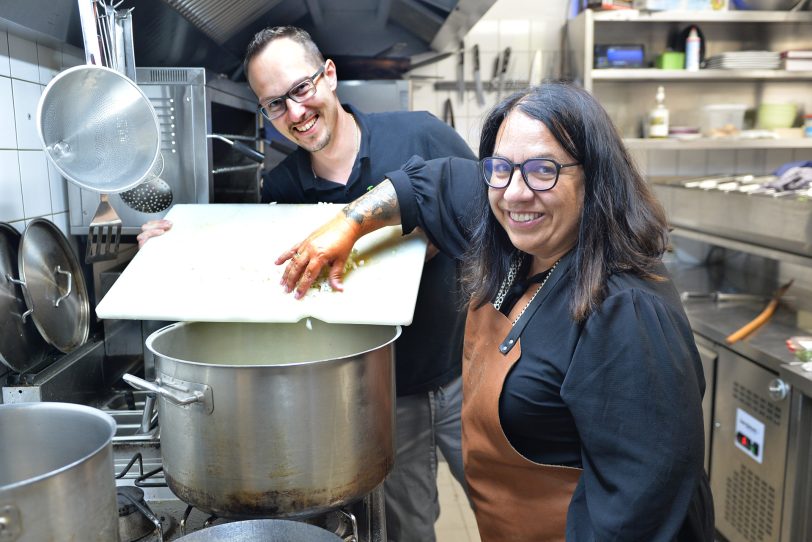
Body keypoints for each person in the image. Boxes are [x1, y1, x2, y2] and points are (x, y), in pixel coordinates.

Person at [276, 82, 715, 541]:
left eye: (543, 170)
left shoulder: (627, 313)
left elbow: (637, 514)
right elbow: (425, 184)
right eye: (500, 169)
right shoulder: (506, 229)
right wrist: (347, 223)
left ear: (594, 173)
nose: (515, 193)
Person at [138, 26, 476, 542]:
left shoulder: (420, 136)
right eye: (274, 105)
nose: (295, 113)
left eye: (301, 89)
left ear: (330, 75)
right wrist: (168, 254)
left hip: (466, 374)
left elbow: (487, 217)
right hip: (387, 399)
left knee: (511, 509)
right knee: (410, 530)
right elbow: (254, 277)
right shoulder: (283, 188)